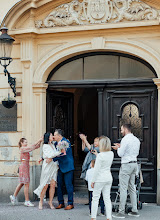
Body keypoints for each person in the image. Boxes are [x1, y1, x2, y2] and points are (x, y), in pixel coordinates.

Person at [112, 124, 140, 219]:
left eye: (121, 129)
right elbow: (134, 152)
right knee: (132, 187)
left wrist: (118, 148)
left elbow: (120, 154)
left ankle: (121, 212)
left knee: (123, 188)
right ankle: (134, 210)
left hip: (126, 164)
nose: (120, 131)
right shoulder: (136, 139)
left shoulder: (125, 139)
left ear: (125, 129)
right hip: (134, 164)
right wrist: (121, 146)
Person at [10, 137, 43, 207]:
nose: (26, 143)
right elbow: (32, 146)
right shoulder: (22, 149)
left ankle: (14, 196)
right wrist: (39, 140)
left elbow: (36, 146)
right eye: (25, 142)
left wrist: (40, 141)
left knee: (22, 183)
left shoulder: (26, 149)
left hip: (25, 166)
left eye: (26, 142)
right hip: (24, 167)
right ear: (21, 143)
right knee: (26, 184)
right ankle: (27, 201)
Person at [34, 132, 63, 210]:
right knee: (45, 185)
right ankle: (41, 201)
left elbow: (50, 156)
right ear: (47, 137)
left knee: (53, 184)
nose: (52, 136)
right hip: (47, 167)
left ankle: (50, 201)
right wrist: (59, 152)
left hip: (53, 166)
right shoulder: (45, 146)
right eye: (51, 135)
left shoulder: (53, 145)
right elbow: (50, 155)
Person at [46, 129, 74, 210]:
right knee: (60, 185)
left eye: (54, 135)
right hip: (60, 167)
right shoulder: (55, 143)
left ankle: (70, 203)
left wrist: (52, 159)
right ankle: (61, 202)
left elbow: (62, 154)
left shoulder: (65, 142)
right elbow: (52, 152)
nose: (54, 137)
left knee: (68, 185)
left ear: (59, 136)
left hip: (68, 166)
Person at [91, 137, 114, 220]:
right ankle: (109, 217)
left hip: (100, 178)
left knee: (95, 198)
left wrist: (93, 181)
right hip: (108, 177)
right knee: (107, 198)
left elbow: (96, 170)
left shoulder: (100, 155)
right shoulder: (111, 153)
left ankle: (93, 217)